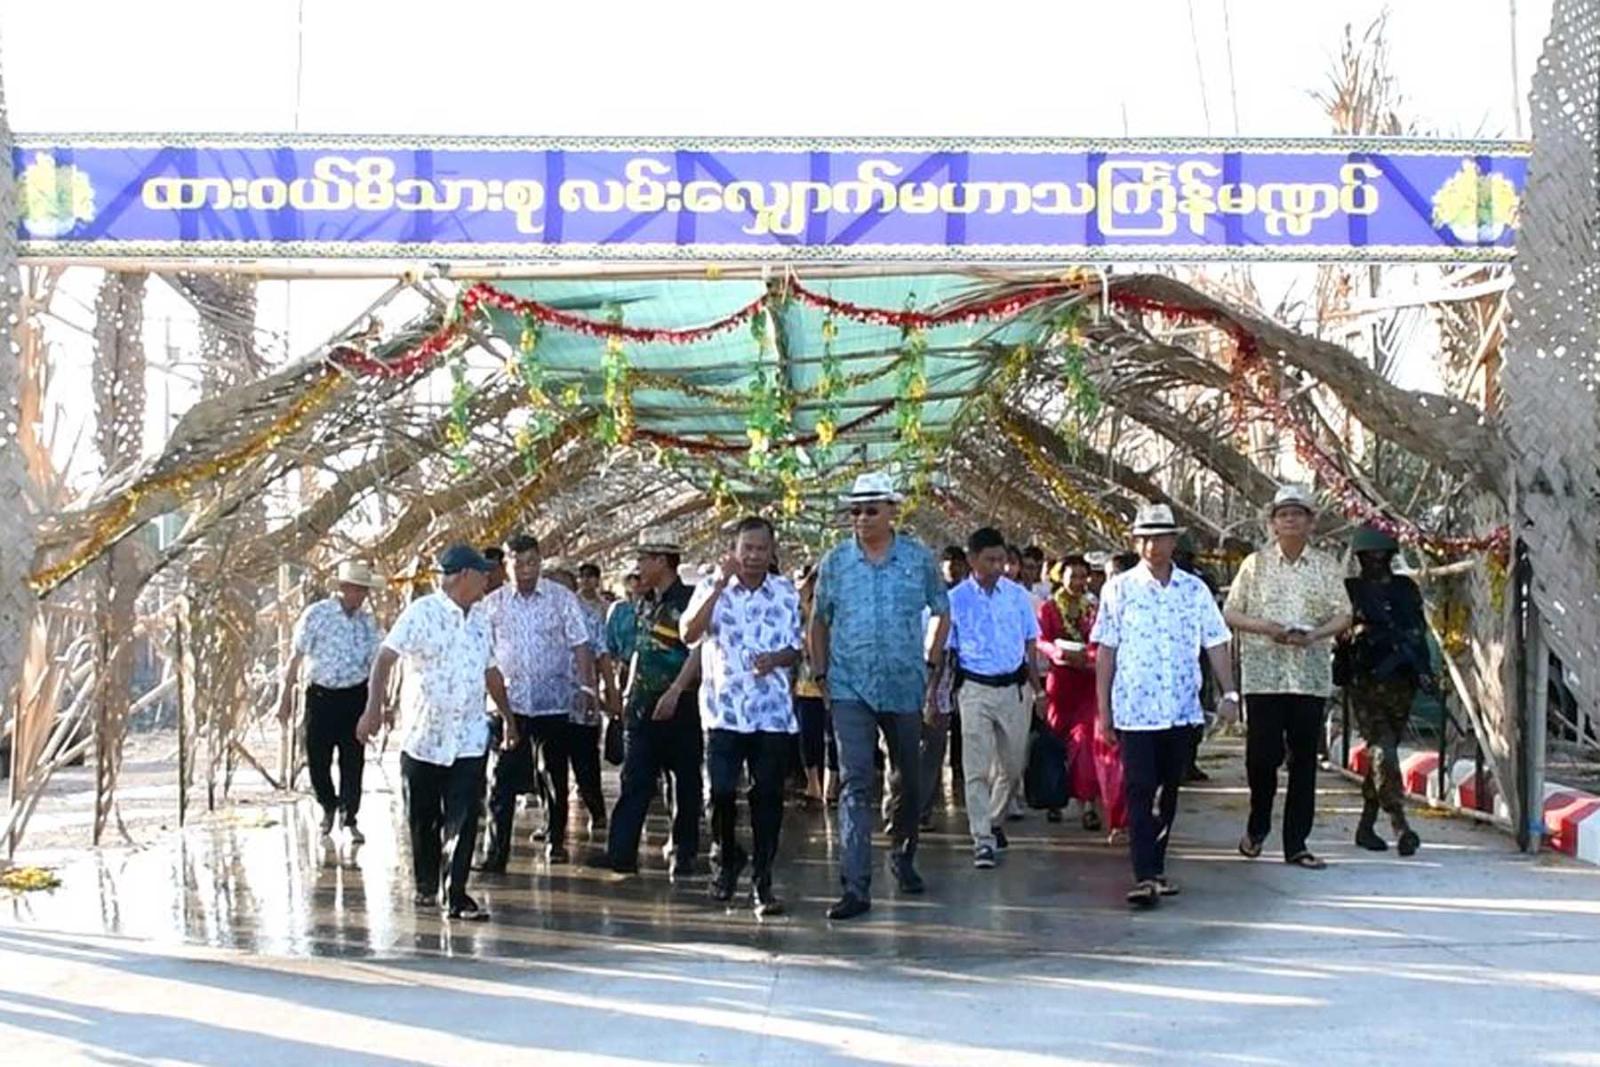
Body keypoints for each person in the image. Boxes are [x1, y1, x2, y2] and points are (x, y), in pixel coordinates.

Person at [810, 471, 949, 921]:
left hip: (905, 685)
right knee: (855, 781)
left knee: (908, 777)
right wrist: (821, 673)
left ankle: (903, 853)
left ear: (892, 511)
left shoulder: (917, 558)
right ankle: (855, 885)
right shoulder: (836, 562)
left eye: (871, 510)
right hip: (849, 685)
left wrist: (930, 663)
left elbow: (941, 611)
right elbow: (819, 620)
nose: (863, 518)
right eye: (855, 511)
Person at [356, 544, 513, 922]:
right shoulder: (421, 613)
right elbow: (385, 658)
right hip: (424, 737)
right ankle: (427, 883)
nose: (488, 579)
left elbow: (491, 671)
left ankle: (455, 893)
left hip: (469, 737)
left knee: (465, 815)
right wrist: (373, 708)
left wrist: (508, 716)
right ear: (463, 576)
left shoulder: (480, 620)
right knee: (423, 819)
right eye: (482, 573)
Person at [1092, 506, 1238, 908]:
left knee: (1167, 791)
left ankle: (1156, 867)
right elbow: (1106, 650)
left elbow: (1216, 641)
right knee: (1139, 787)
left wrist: (1229, 693)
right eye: (1144, 538)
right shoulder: (1119, 589)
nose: (1152, 545)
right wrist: (1104, 711)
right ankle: (1144, 874)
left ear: (1174, 541)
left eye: (1160, 537)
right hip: (1135, 709)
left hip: (1180, 708)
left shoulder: (1194, 590)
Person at [681, 516, 804, 916]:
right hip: (724, 712)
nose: (753, 556)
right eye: (746, 548)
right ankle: (726, 857)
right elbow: (689, 634)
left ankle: (763, 880)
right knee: (718, 792)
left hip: (771, 714)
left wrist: (776, 659)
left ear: (772, 553)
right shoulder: (711, 588)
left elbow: (796, 648)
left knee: (767, 798)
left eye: (761, 549)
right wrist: (718, 586)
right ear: (733, 551)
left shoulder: (784, 592)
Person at [1224, 485, 1351, 870]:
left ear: (1311, 522)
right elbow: (1231, 612)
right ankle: (1257, 824)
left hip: (1309, 676)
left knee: (1304, 761)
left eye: (1298, 514)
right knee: (1261, 757)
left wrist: (1316, 634)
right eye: (1283, 514)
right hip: (1264, 675)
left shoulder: (1326, 566)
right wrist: (1267, 628)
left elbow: (1344, 614)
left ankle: (1297, 843)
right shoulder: (1255, 565)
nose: (1290, 520)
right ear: (1273, 523)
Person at [476, 535, 598, 870]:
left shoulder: (561, 599)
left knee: (553, 773)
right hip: (508, 704)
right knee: (500, 778)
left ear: (540, 563)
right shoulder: (492, 604)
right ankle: (495, 854)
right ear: (506, 565)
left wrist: (587, 689)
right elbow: (482, 654)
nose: (526, 570)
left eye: (532, 562)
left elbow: (580, 643)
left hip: (553, 702)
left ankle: (556, 840)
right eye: (518, 563)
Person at [607, 528, 704, 878]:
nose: (638, 567)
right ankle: (621, 854)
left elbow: (699, 651)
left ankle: (684, 850)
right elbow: (640, 650)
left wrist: (676, 691)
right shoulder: (644, 601)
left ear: (662, 560)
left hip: (682, 705)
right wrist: (625, 695)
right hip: (643, 705)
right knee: (635, 779)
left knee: (685, 781)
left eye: (643, 559)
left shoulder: (690, 600)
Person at [947, 527, 1046, 869]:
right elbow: (946, 651)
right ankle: (982, 839)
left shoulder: (1017, 597)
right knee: (976, 767)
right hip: (974, 689)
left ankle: (994, 819)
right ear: (972, 559)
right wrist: (935, 695)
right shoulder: (956, 599)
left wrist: (1039, 690)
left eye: (1001, 560)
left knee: (1013, 766)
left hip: (1014, 689)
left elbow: (1030, 645)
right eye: (989, 560)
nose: (997, 567)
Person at [277, 560, 385, 843]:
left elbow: (377, 667)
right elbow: (296, 657)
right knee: (317, 758)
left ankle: (349, 818)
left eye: (364, 591)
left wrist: (378, 706)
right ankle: (328, 804)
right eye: (357, 589)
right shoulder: (317, 614)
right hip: (321, 696)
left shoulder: (367, 623)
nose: (361, 596)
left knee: (353, 760)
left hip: (355, 696)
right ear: (344, 588)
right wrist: (284, 697)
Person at [1342, 525, 1431, 856]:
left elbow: (1418, 631)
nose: (1376, 560)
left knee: (1383, 754)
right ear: (1360, 557)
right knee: (1384, 750)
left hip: (1400, 681)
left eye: (1382, 554)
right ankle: (1400, 823)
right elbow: (1338, 628)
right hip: (1365, 680)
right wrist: (1355, 633)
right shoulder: (1351, 590)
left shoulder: (1405, 588)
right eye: (1370, 555)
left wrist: (1424, 670)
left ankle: (1366, 825)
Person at [544, 565, 610, 834]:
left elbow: (602, 655)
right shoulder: (539, 617)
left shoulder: (589, 616)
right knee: (550, 768)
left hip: (582, 704)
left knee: (585, 765)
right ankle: (553, 827)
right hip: (548, 706)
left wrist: (609, 693)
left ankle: (597, 811)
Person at [1037, 554, 1100, 829]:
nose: (1078, 582)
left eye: (1082, 576)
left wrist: (1088, 657)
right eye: (1072, 576)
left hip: (1087, 681)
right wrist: (1059, 653)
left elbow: (1101, 640)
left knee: (1086, 740)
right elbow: (1040, 640)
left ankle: (1088, 804)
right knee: (1056, 740)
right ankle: (1054, 797)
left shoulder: (1093, 608)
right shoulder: (1049, 608)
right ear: (1060, 577)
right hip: (1061, 683)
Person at [793, 566, 835, 811]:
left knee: (833, 737)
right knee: (809, 736)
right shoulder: (799, 609)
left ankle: (831, 785)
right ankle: (813, 784)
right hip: (806, 683)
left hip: (835, 682)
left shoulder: (838, 608)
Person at [939, 545, 971, 792]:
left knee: (962, 719)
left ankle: (960, 767)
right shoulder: (936, 594)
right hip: (940, 661)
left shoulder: (969, 595)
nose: (953, 568)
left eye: (958, 564)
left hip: (964, 663)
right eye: (949, 563)